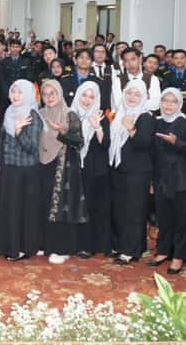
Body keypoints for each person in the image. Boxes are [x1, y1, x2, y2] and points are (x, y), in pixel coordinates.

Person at [147, 88, 186, 275]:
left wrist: (176, 142)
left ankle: (178, 256)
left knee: (181, 220)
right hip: (161, 180)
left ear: (179, 104)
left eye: (173, 101)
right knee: (164, 218)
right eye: (165, 101)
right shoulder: (157, 123)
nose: (168, 105)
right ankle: (163, 251)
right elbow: (153, 154)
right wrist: (152, 181)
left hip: (182, 181)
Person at [0, 79, 43, 262]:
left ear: (28, 94)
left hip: (25, 171)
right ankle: (8, 244)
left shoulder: (33, 115)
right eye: (13, 92)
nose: (15, 96)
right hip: (9, 167)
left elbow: (32, 147)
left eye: (20, 92)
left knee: (21, 210)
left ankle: (21, 247)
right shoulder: (9, 111)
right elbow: (2, 141)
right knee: (8, 207)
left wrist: (19, 131)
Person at [109, 79, 154, 264]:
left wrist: (131, 129)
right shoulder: (120, 113)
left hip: (137, 172)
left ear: (143, 97)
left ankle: (130, 250)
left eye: (137, 94)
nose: (132, 97)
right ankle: (124, 245)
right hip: (118, 168)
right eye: (129, 93)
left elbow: (144, 143)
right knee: (120, 209)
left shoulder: (145, 117)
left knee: (134, 212)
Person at [39, 79, 84, 264]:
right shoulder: (40, 114)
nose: (49, 97)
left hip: (64, 166)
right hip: (42, 165)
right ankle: (46, 244)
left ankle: (62, 248)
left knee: (61, 207)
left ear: (60, 94)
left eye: (53, 93)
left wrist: (61, 132)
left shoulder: (69, 114)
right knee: (44, 204)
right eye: (45, 94)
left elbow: (79, 141)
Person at [70, 81, 111, 259]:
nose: (87, 100)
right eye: (84, 95)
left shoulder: (100, 116)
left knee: (89, 208)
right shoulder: (70, 115)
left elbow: (106, 144)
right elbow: (67, 142)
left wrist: (97, 127)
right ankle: (73, 243)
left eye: (92, 97)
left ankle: (89, 245)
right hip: (74, 167)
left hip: (94, 170)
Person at [161, 50, 186, 119]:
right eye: (176, 58)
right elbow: (165, 90)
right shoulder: (167, 75)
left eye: (182, 58)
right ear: (172, 60)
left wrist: (175, 91)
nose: (179, 60)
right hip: (172, 108)